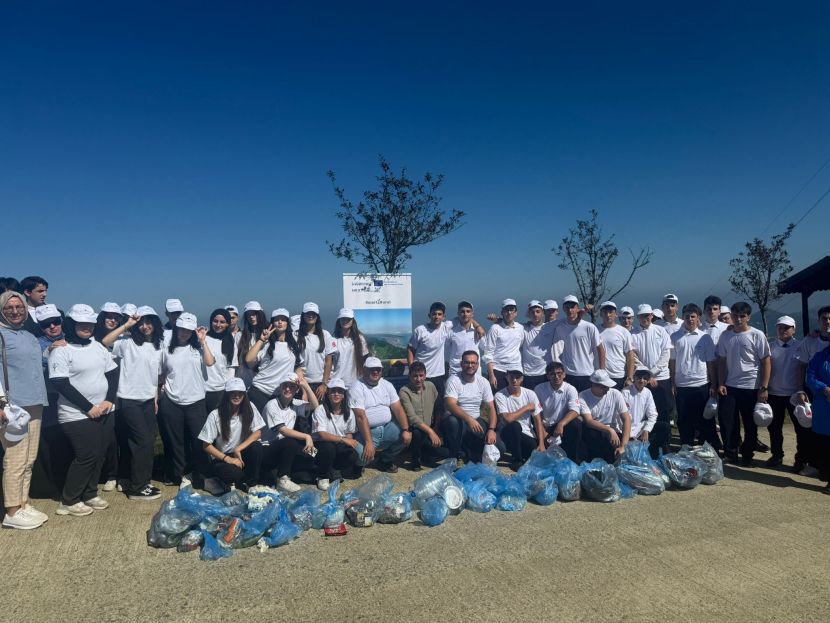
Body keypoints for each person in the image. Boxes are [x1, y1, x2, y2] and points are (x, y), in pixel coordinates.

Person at [49, 304, 118, 517]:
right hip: (76, 414)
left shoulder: (97, 346)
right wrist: (88, 408)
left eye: (89, 323)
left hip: (104, 410)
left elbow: (113, 373)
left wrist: (108, 400)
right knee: (86, 455)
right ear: (72, 324)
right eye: (81, 323)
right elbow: (61, 384)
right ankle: (69, 500)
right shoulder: (61, 350)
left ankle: (89, 493)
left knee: (99, 454)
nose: (86, 327)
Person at [102, 306, 164, 500]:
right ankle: (137, 488)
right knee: (142, 442)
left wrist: (155, 397)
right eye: (141, 323)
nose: (145, 327)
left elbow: (154, 375)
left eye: (149, 322)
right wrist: (127, 325)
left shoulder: (157, 345)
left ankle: (143, 482)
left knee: (147, 442)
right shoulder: (127, 342)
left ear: (155, 323)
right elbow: (106, 341)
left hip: (148, 399)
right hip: (129, 399)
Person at [0, 291, 49, 529]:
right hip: (12, 406)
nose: (15, 311)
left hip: (35, 402)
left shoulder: (29, 335)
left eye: (19, 307)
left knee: (29, 459)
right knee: (15, 459)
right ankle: (11, 511)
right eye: (9, 307)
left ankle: (22, 503)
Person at [157, 312, 215, 487]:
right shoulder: (167, 350)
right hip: (172, 400)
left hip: (196, 400)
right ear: (176, 329)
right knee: (176, 441)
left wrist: (202, 340)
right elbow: (160, 374)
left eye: (189, 330)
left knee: (199, 440)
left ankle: (201, 473)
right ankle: (180, 474)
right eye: (182, 329)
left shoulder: (198, 349)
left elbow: (210, 362)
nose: (185, 333)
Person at [716, 301, 771, 465]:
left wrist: (764, 387)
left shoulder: (757, 335)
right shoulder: (726, 335)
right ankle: (731, 452)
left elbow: (766, 361)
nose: (738, 319)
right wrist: (720, 383)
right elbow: (721, 361)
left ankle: (747, 454)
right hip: (730, 385)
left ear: (748, 317)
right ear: (730, 316)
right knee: (728, 422)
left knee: (750, 424)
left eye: (742, 316)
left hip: (751, 386)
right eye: (735, 316)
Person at [30, 304, 71, 499]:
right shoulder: (35, 343)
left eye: (56, 322)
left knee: (68, 441)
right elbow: (31, 363)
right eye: (47, 325)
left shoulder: (71, 339)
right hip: (48, 398)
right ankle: (49, 486)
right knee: (49, 443)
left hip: (70, 398)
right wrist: (49, 352)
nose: (53, 327)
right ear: (40, 326)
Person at [199, 378, 264, 492]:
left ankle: (251, 484)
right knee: (236, 474)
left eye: (240, 393)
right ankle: (217, 480)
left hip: (240, 452)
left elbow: (258, 432)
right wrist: (227, 459)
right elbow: (206, 445)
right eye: (233, 393)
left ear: (244, 395)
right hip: (223, 457)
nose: (237, 396)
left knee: (257, 447)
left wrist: (238, 449)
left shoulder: (250, 408)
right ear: (227, 394)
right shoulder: (215, 415)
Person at [350, 357, 411, 473]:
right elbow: (360, 416)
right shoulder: (356, 387)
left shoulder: (387, 385)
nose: (375, 372)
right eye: (371, 369)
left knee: (405, 436)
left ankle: (384, 461)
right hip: (366, 432)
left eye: (378, 369)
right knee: (363, 457)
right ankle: (358, 465)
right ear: (364, 370)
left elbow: (398, 408)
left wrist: (406, 430)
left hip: (387, 427)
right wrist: (368, 442)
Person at [670, 303, 718, 449]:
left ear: (698, 318)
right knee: (684, 420)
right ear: (682, 317)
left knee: (705, 419)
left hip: (701, 384)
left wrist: (714, 384)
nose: (690, 319)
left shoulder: (705, 338)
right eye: (687, 316)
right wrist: (672, 383)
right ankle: (686, 447)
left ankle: (710, 448)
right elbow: (672, 362)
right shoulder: (675, 337)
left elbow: (711, 363)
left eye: (693, 316)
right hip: (682, 385)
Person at [261, 373, 319, 491]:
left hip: (284, 448)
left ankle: (298, 473)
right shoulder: (272, 404)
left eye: (292, 386)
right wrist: (307, 436)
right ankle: (283, 479)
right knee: (290, 442)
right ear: (280, 387)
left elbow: (315, 405)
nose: (288, 389)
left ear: (296, 389)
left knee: (313, 452)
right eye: (285, 386)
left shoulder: (294, 403)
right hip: (267, 448)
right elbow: (283, 431)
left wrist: (306, 386)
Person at [766, 316, 807, 469]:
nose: (783, 330)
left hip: (795, 394)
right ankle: (777, 455)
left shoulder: (801, 346)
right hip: (774, 393)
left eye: (787, 327)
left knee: (800, 429)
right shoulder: (770, 347)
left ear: (794, 329)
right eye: (780, 327)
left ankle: (801, 459)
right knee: (774, 428)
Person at [631, 304, 673, 452]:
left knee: (664, 411)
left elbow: (666, 354)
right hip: (643, 379)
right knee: (645, 411)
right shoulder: (633, 334)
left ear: (652, 316)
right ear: (638, 318)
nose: (646, 318)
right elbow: (633, 357)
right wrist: (646, 375)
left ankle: (665, 443)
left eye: (648, 315)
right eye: (642, 316)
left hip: (661, 377)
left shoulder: (661, 331)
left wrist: (653, 373)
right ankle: (648, 442)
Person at [443, 350, 497, 463]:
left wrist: (492, 429)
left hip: (476, 420)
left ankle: (470, 456)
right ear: (461, 364)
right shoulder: (453, 380)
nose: (470, 365)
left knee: (498, 446)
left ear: (478, 365)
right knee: (452, 422)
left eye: (473, 363)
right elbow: (450, 404)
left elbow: (491, 408)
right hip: (459, 420)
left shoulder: (483, 382)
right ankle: (455, 456)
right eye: (467, 362)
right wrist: (469, 419)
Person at [245, 308, 303, 413]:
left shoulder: (293, 346)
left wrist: (304, 391)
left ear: (287, 323)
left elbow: (298, 368)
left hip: (280, 396)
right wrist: (262, 340)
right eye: (277, 319)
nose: (280, 322)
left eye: (283, 319)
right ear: (272, 323)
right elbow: (249, 360)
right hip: (260, 392)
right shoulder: (267, 344)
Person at [93, 301, 124, 492]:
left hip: (125, 391)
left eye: (116, 317)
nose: (112, 320)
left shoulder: (125, 337)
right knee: (109, 438)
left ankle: (121, 474)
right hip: (102, 393)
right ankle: (110, 474)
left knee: (122, 434)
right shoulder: (93, 337)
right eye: (109, 316)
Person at [398, 361, 448, 470]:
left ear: (425, 375)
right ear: (409, 376)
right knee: (417, 433)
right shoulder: (404, 391)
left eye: (421, 375)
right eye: (415, 376)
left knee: (445, 453)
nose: (418, 379)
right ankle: (415, 461)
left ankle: (426, 454)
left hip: (430, 427)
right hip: (414, 429)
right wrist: (431, 432)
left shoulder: (430, 386)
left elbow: (438, 407)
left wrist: (436, 428)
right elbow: (412, 418)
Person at [311, 378, 360, 489]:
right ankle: (322, 476)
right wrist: (344, 440)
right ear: (328, 393)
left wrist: (349, 443)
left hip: (337, 445)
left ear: (343, 395)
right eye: (333, 391)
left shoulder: (349, 412)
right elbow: (322, 435)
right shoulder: (320, 409)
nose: (336, 394)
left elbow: (349, 434)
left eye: (340, 391)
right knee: (329, 448)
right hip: (316, 447)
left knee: (353, 454)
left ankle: (333, 469)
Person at [550, 295, 605, 392]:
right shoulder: (560, 327)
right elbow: (556, 348)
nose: (570, 310)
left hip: (587, 374)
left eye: (572, 307)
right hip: (568, 374)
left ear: (577, 308)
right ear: (563, 309)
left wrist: (602, 371)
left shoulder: (590, 327)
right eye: (567, 307)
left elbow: (600, 349)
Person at [578, 369, 632, 463]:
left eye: (608, 386)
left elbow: (626, 418)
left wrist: (623, 446)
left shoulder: (615, 393)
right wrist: (609, 430)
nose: (607, 389)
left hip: (613, 431)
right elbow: (589, 421)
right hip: (595, 430)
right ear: (594, 385)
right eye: (604, 387)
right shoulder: (583, 395)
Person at [495, 369, 544, 470]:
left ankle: (522, 456)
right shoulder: (500, 395)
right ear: (506, 377)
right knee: (515, 425)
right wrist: (526, 408)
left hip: (526, 432)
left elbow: (537, 420)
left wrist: (541, 443)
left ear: (522, 379)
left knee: (532, 450)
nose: (514, 380)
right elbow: (507, 419)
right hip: (507, 432)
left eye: (517, 377)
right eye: (511, 377)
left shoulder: (530, 394)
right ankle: (516, 459)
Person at [534, 361, 583, 462]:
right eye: (552, 374)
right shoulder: (539, 389)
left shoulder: (570, 389)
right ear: (547, 376)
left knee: (576, 423)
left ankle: (572, 458)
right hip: (544, 426)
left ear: (564, 374)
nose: (556, 377)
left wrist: (561, 424)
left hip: (561, 427)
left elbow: (575, 410)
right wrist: (542, 431)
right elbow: (536, 413)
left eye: (559, 373)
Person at [407, 302, 452, 398]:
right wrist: (411, 369)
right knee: (422, 406)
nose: (436, 316)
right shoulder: (420, 330)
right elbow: (410, 349)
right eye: (434, 314)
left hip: (439, 375)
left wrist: (477, 327)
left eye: (439, 314)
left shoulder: (446, 327)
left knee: (439, 407)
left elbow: (464, 318)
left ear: (444, 317)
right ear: (429, 315)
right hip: (421, 375)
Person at [296, 302, 336, 401]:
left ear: (317, 316)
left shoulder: (325, 335)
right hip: (302, 383)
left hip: (320, 385)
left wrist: (324, 384)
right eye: (308, 313)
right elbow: (295, 363)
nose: (310, 316)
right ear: (303, 315)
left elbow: (328, 361)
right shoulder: (295, 335)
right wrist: (303, 388)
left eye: (313, 314)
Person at [483, 299, 524, 391]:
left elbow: (520, 346)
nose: (509, 312)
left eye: (511, 310)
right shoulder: (494, 329)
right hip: (498, 370)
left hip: (516, 370)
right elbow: (488, 353)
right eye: (506, 310)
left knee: (516, 400)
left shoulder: (521, 328)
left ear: (516, 313)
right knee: (498, 400)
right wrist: (491, 375)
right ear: (502, 312)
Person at [805, 346, 830, 494]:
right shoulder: (820, 356)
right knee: (825, 443)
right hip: (824, 406)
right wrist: (825, 389)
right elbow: (811, 376)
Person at [204, 308, 238, 414]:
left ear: (228, 324)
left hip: (219, 391)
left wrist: (227, 391)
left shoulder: (231, 342)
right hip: (200, 390)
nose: (218, 325)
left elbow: (231, 369)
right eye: (215, 321)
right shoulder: (203, 338)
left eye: (222, 322)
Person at [598, 301, 634, 389]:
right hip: (600, 376)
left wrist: (629, 377)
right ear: (601, 314)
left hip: (619, 376)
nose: (608, 315)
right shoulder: (594, 330)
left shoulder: (623, 332)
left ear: (616, 314)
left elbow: (630, 356)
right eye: (605, 312)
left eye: (610, 312)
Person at [331, 308, 369, 390]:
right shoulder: (333, 339)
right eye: (343, 319)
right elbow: (329, 361)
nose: (345, 321)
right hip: (336, 382)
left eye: (348, 319)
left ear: (352, 321)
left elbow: (365, 360)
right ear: (339, 320)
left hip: (355, 383)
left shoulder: (360, 339)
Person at [446, 301, 486, 376]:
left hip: (475, 373)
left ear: (472, 314)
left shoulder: (478, 331)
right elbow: (443, 348)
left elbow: (486, 347)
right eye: (462, 312)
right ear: (458, 314)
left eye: (468, 311)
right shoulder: (451, 331)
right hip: (456, 372)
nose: (465, 314)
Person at [621, 369, 660, 446]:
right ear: (634, 378)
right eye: (639, 377)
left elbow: (653, 414)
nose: (642, 380)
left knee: (664, 427)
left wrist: (646, 430)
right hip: (624, 428)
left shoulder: (647, 392)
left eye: (645, 378)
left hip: (640, 427)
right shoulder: (625, 392)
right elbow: (621, 416)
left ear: (648, 380)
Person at [521, 300, 553, 390]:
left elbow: (569, 322)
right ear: (529, 314)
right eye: (532, 312)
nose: (535, 314)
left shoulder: (550, 327)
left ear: (543, 313)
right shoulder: (522, 328)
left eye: (538, 312)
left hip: (545, 374)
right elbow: (509, 324)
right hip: (528, 375)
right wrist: (497, 320)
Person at [236, 301, 267, 388]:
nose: (252, 317)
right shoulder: (239, 336)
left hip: (261, 383)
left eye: (255, 314)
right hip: (243, 382)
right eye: (248, 314)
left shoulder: (268, 336)